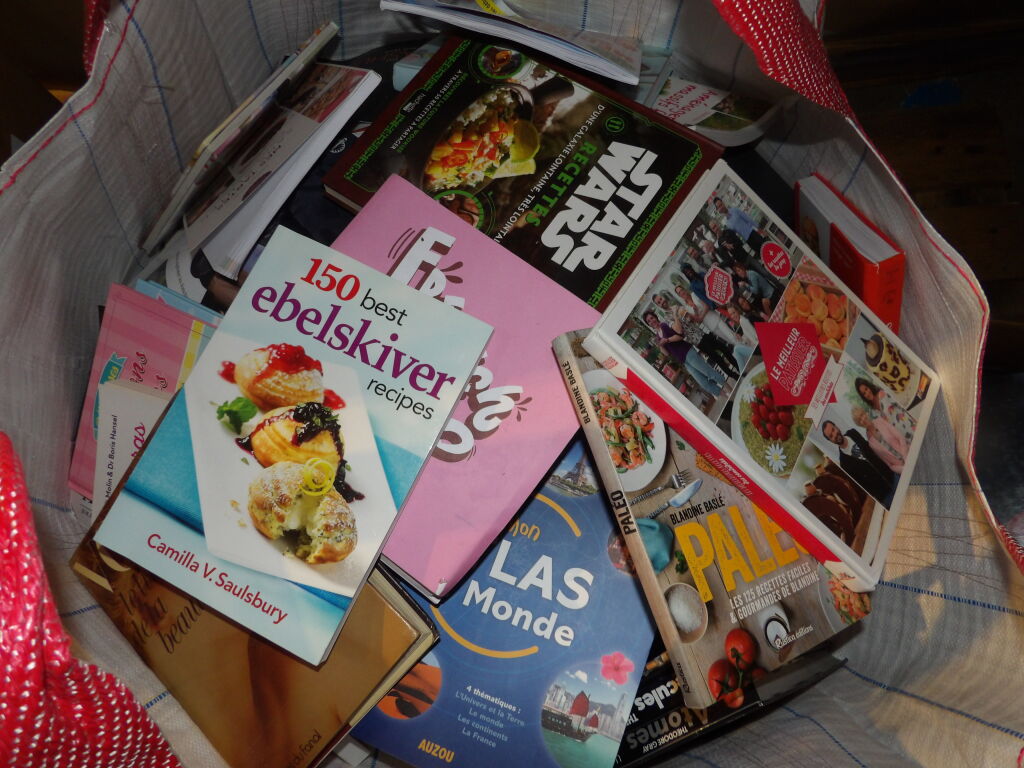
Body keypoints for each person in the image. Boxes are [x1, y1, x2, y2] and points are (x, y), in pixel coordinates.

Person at [642, 310, 726, 396]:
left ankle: (729, 389)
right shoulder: (657, 337)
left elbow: (680, 336)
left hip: (688, 352)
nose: (651, 321)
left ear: (655, 317)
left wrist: (667, 340)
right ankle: (726, 396)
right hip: (684, 361)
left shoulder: (664, 325)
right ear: (648, 324)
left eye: (652, 318)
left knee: (709, 373)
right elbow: (667, 354)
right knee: (704, 384)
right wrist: (660, 345)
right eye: (649, 321)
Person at [821, 419, 896, 505]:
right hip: (884, 496)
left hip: (891, 474)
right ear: (830, 441)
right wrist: (878, 496)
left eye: (833, 430)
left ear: (836, 427)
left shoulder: (853, 433)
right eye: (831, 436)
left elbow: (872, 449)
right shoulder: (843, 463)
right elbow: (862, 484)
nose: (834, 434)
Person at [851, 405, 908, 473]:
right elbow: (889, 464)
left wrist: (906, 457)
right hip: (902, 469)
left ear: (866, 413)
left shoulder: (880, 421)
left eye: (862, 415)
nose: (862, 419)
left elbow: (900, 437)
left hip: (908, 453)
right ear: (859, 425)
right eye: (859, 420)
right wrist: (903, 469)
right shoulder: (871, 443)